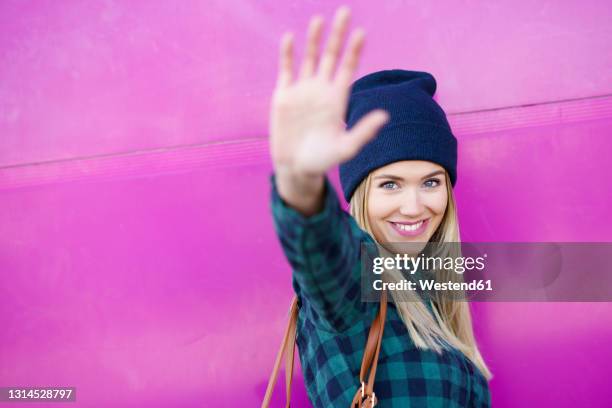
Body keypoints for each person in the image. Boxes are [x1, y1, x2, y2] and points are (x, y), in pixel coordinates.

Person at [268, 5, 492, 407]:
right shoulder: (355, 286)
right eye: (390, 184)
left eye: (431, 182)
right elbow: (322, 248)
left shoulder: (437, 289)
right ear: (361, 193)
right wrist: (299, 180)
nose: (413, 206)